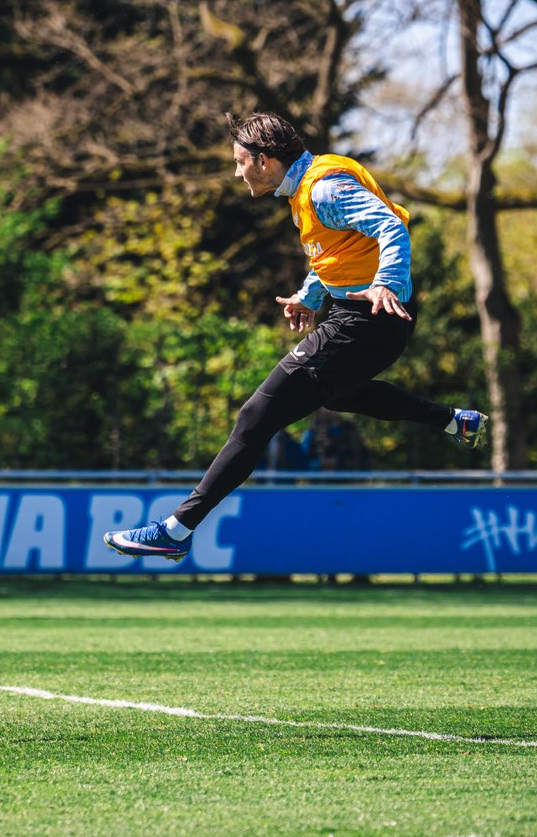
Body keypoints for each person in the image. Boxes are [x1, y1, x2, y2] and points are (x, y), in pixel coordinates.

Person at [104, 112, 486, 562]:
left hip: (369, 318)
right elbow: (335, 253)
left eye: (239, 161)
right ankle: (454, 420)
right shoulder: (306, 191)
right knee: (344, 395)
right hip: (366, 318)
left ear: (264, 160)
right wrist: (309, 295)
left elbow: (390, 226)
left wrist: (386, 281)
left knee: (255, 416)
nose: (236, 171)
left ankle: (177, 528)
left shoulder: (323, 189)